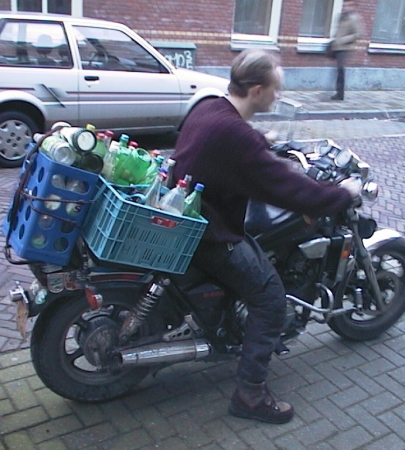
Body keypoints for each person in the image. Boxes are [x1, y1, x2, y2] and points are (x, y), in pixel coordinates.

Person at [169, 49, 361, 424]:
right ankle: (250, 395)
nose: (278, 96)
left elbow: (231, 139)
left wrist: (263, 140)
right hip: (211, 233)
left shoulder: (210, 107)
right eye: (276, 89)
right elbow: (289, 190)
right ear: (256, 90)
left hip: (189, 217)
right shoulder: (236, 136)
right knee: (270, 298)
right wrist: (343, 194)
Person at [330, 0, 362, 100]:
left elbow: (358, 34)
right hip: (336, 46)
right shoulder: (341, 17)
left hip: (344, 48)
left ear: (353, 7)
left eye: (348, 5)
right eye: (345, 5)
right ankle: (338, 91)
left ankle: (340, 94)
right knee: (337, 69)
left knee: (340, 70)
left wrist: (343, 40)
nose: (345, 7)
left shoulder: (354, 19)